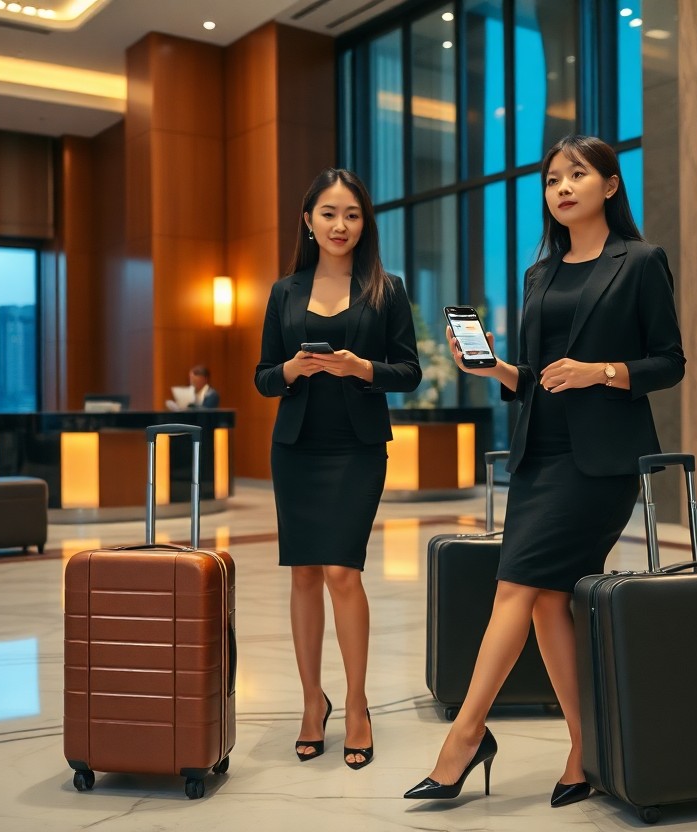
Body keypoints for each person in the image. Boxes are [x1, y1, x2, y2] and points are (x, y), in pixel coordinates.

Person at [404, 134, 685, 804]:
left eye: (578, 174)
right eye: (553, 177)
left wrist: (603, 372)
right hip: (539, 454)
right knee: (545, 602)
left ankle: (465, 739)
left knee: (516, 590)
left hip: (599, 464)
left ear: (610, 186)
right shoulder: (540, 274)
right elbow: (533, 378)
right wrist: (493, 368)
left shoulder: (641, 262)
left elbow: (669, 361)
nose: (562, 186)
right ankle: (584, 748)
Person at [255, 168, 421, 770]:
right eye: (328, 213)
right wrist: (293, 371)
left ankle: (356, 704)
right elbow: (263, 376)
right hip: (296, 447)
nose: (340, 225)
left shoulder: (387, 288)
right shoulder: (285, 292)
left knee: (341, 574)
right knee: (302, 575)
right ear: (308, 220)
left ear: (363, 222)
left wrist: (360, 369)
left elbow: (409, 371)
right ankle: (310, 702)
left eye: (351, 214)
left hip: (356, 448)